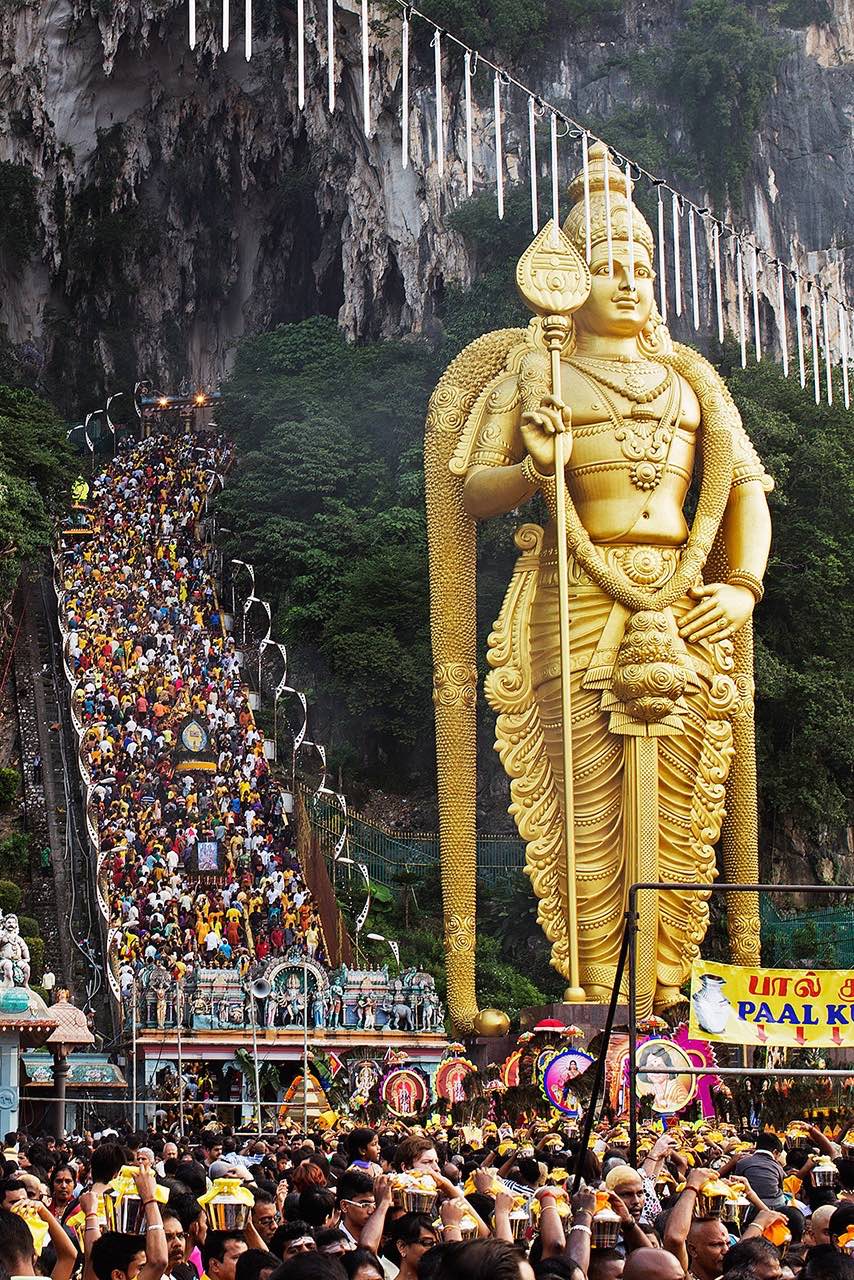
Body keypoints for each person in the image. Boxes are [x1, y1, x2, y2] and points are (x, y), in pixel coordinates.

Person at [735, 1134, 787, 1209]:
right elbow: (781, 1185)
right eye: (778, 1156)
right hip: (775, 1204)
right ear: (775, 1152)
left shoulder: (742, 1162)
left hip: (750, 1204)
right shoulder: (777, 1166)